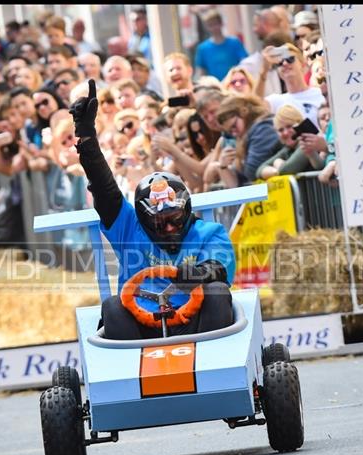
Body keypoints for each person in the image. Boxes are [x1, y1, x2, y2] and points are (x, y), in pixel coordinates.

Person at [69, 80, 235, 340]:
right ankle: (127, 376)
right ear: (144, 220)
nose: (169, 228)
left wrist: (193, 274)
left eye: (176, 219)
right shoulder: (129, 227)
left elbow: (220, 269)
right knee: (112, 307)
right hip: (141, 327)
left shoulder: (210, 232)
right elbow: (104, 189)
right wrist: (86, 134)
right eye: (160, 223)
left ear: (186, 211)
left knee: (218, 292)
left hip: (198, 325)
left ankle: (219, 368)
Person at [194, 10, 248, 81]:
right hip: (215, 88)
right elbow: (202, 72)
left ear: (221, 23)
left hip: (235, 84)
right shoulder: (203, 48)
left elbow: (245, 63)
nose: (214, 28)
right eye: (210, 25)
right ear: (207, 27)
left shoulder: (234, 42)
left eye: (216, 24)